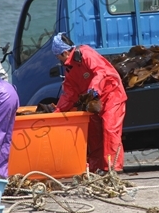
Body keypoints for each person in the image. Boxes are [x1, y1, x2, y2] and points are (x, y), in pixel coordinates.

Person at [51, 32, 127, 174]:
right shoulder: (70, 69)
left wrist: (93, 89)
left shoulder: (86, 54)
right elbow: (70, 94)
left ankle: (112, 167)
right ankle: (96, 167)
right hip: (94, 101)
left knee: (109, 128)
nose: (58, 60)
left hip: (112, 94)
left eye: (58, 56)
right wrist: (57, 112)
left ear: (65, 52)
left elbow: (100, 72)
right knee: (93, 133)